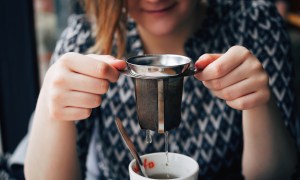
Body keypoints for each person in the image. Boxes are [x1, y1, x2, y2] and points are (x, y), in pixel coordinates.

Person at [24, 0, 298, 179]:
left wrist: (257, 103)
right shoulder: (84, 40)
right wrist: (51, 110)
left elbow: (279, 173)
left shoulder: (256, 26)